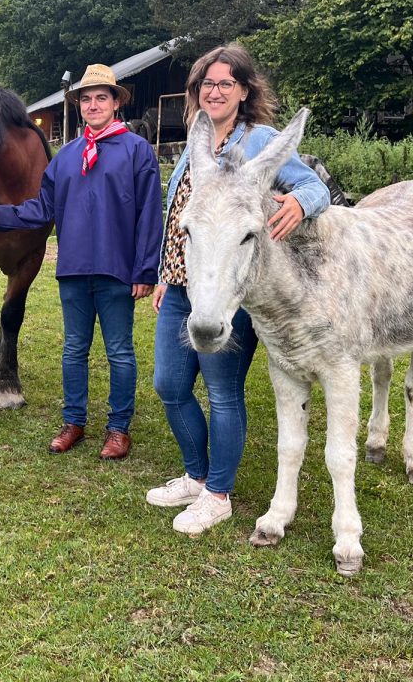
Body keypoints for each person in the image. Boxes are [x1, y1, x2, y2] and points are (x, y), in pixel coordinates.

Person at [146, 44, 331, 534]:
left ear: (244, 90)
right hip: (185, 284)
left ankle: (218, 493)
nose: (215, 91)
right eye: (207, 84)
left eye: (226, 83)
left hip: (234, 287)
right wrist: (167, 275)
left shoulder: (260, 140)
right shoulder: (195, 144)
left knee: (223, 392)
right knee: (168, 384)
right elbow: (183, 216)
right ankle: (195, 474)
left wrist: (300, 203)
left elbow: (316, 188)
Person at [0, 64, 163, 460]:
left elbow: (150, 214)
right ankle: (74, 421)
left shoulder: (137, 152)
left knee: (119, 351)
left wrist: (146, 269)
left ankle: (118, 428)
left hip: (118, 271)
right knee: (74, 349)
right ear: (78, 106)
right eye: (86, 99)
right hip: (75, 270)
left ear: (115, 103)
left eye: (101, 97)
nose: (93, 105)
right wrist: (2, 215)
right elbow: (44, 207)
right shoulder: (65, 158)